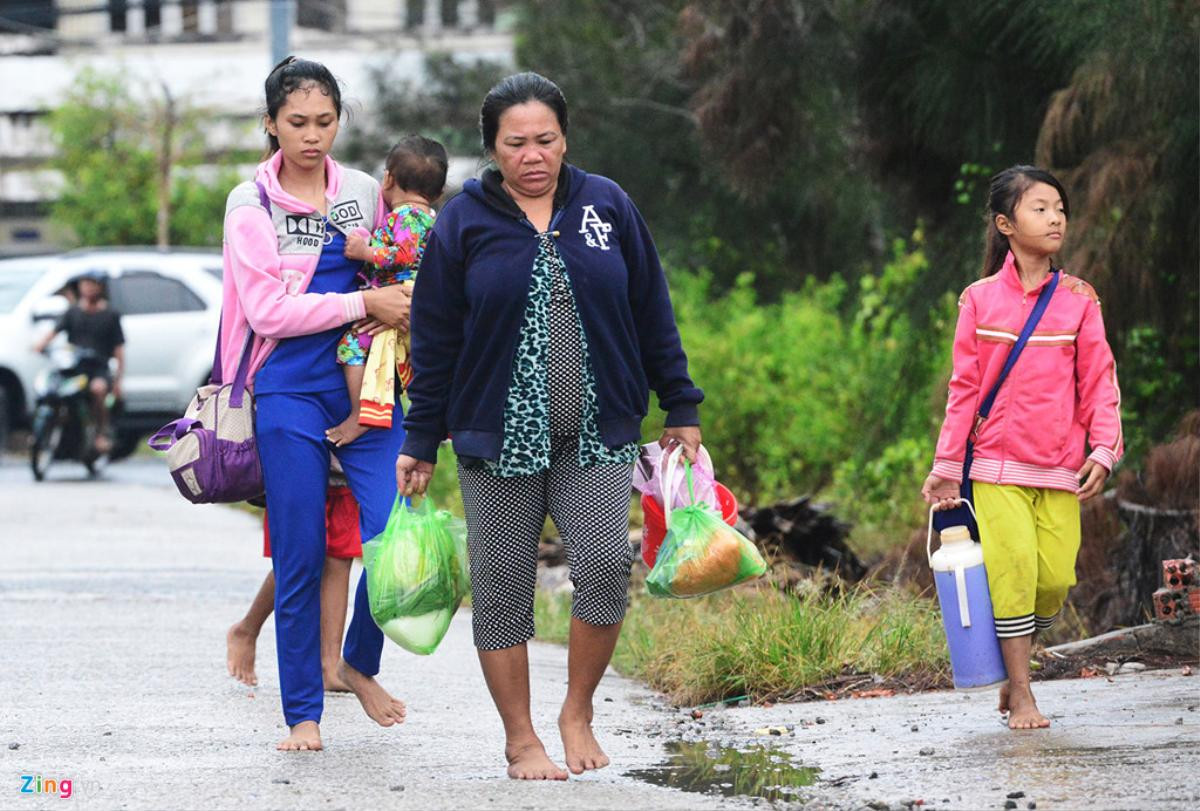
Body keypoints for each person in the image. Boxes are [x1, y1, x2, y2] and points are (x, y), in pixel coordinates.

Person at [395, 72, 704, 779]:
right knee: (502, 586)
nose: (533, 154)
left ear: (565, 137)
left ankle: (577, 709)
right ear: (492, 149)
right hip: (492, 436)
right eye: (516, 143)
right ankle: (520, 736)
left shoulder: (607, 206)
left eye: (546, 139)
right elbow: (435, 337)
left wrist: (680, 403)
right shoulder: (463, 222)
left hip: (597, 432)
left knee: (603, 565)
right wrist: (419, 438)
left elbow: (651, 306)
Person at [221, 55, 413, 751]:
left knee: (395, 542)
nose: (312, 136)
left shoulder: (364, 189)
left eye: (325, 121)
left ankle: (357, 663)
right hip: (289, 388)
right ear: (271, 124)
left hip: (372, 388)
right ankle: (303, 712)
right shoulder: (251, 204)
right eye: (296, 122)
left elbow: (403, 260)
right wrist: (364, 300)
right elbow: (269, 311)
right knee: (300, 552)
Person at [921, 165, 1123, 730]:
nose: (1055, 216)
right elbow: (963, 391)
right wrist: (946, 467)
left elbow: (1099, 382)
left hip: (1060, 467)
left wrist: (1104, 449)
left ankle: (1015, 671)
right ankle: (1025, 693)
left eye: (1059, 207)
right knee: (1011, 572)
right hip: (996, 466)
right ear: (1007, 224)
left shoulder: (1080, 299)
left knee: (1052, 579)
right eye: (1040, 208)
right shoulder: (979, 301)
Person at [326, 135, 448, 447]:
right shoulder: (432, 219)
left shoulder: (407, 216)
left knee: (351, 347)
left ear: (388, 178)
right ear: (439, 192)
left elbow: (403, 254)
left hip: (396, 299)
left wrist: (365, 252)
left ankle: (361, 415)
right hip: (416, 305)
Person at [226, 463, 362, 693]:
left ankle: (330, 666)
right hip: (296, 459)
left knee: (340, 557)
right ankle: (247, 629)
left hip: (345, 464)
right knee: (300, 558)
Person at [33, 270, 124, 454]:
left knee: (97, 390)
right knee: (50, 389)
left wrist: (117, 381)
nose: (88, 288)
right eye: (85, 283)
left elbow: (119, 351)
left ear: (100, 287)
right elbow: (52, 333)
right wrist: (39, 346)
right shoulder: (72, 312)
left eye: (92, 283)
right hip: (74, 368)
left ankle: (101, 433)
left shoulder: (110, 315)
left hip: (98, 369)